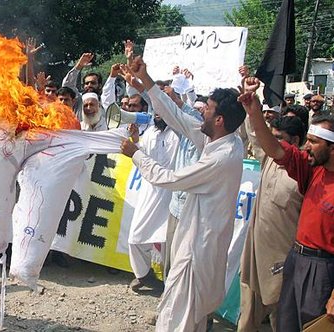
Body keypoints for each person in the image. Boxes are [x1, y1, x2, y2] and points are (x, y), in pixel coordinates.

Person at [120, 56, 246, 331]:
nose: (202, 114)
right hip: (198, 243)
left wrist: (136, 154)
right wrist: (148, 81)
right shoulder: (222, 139)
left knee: (177, 318)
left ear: (220, 119)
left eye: (208, 111)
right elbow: (176, 117)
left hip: (197, 250)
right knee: (190, 317)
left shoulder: (220, 158)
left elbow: (168, 178)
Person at [239, 76, 334, 331]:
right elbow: (273, 147)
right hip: (296, 260)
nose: (307, 147)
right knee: (286, 325)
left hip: (324, 270)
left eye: (314, 142)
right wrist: (254, 111)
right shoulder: (310, 170)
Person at [239, 114, 305, 331]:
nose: (272, 142)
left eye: (279, 138)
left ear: (295, 141)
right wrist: (251, 109)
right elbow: (255, 135)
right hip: (254, 254)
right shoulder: (268, 159)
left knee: (282, 320)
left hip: (283, 263)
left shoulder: (305, 173)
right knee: (247, 318)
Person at [127, 115, 178, 292]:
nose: (158, 114)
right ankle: (144, 275)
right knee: (135, 236)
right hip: (150, 190)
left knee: (166, 241)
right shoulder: (150, 132)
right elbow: (143, 155)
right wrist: (135, 140)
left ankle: (169, 284)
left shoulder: (178, 134)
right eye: (155, 111)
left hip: (172, 190)